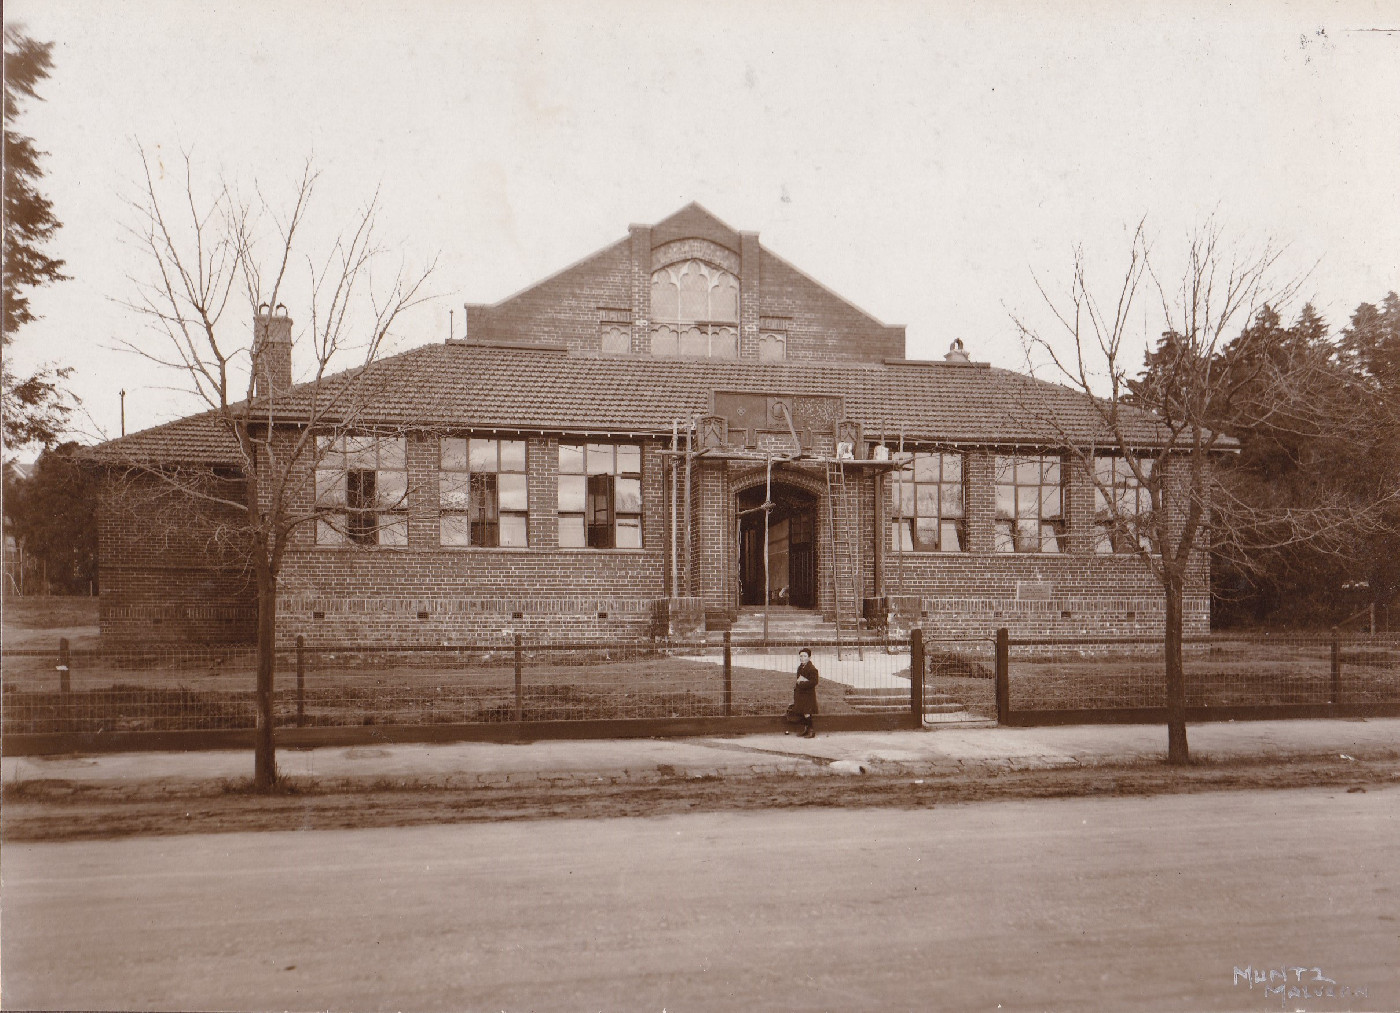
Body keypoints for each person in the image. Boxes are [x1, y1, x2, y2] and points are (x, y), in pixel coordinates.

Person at [791, 647, 819, 738]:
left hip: (808, 694)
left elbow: (814, 682)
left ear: (809, 657)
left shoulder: (812, 669)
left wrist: (802, 683)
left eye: (805, 656)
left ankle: (811, 731)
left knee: (807, 713)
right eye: (801, 656)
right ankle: (806, 729)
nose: (802, 658)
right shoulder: (800, 667)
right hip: (801, 694)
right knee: (803, 712)